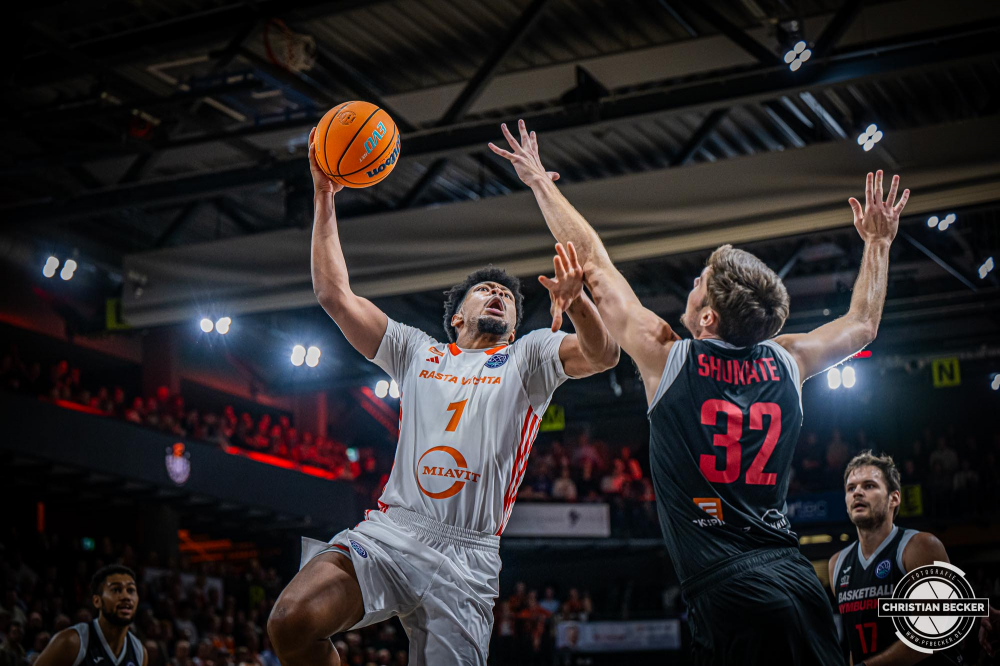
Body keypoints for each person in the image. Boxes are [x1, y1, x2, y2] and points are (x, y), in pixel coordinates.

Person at [492, 118, 911, 664]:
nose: (691, 284)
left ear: (708, 316)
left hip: (732, 591)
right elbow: (862, 324)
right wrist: (877, 243)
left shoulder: (668, 358)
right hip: (794, 580)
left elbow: (592, 260)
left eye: (698, 283)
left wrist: (539, 183)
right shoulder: (790, 360)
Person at [266, 126, 620, 666]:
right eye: (487, 289)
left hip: (467, 555)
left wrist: (579, 305)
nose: (500, 293)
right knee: (292, 622)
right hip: (393, 531)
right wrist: (323, 193)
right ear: (457, 317)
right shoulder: (417, 351)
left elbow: (604, 355)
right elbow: (333, 294)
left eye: (507, 294)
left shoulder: (529, 356)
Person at [829, 451, 954, 665]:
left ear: (894, 498)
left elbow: (937, 630)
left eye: (869, 486)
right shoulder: (837, 564)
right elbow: (855, 647)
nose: (857, 493)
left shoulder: (920, 546)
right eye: (851, 488)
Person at [33, 565, 147, 666]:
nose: (126, 597)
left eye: (131, 590)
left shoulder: (139, 653)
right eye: (116, 590)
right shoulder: (72, 642)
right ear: (97, 601)